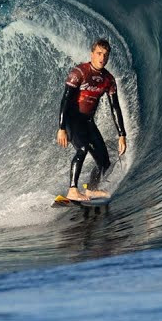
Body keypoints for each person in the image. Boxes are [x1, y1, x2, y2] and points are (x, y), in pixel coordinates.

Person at [56, 38, 127, 201]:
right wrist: (61, 128)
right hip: (72, 119)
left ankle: (91, 189)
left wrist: (122, 134)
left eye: (106, 55)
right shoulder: (79, 72)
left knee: (104, 162)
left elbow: (115, 107)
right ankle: (72, 190)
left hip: (88, 122)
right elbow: (65, 100)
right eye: (99, 53)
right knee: (82, 149)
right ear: (92, 54)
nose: (102, 58)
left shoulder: (108, 79)